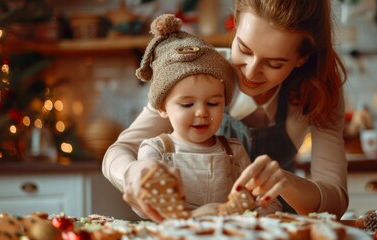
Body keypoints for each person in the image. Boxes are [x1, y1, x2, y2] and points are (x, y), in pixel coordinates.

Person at [103, 0, 348, 221]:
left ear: (301, 58)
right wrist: (133, 172)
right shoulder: (198, 71)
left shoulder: (318, 94)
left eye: (274, 63)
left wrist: (286, 183)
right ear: (236, 23)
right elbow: (120, 150)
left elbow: (335, 201)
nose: (251, 73)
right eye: (244, 49)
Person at [133, 14, 281, 220]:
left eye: (213, 103)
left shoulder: (235, 150)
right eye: (187, 104)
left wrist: (258, 212)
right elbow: (143, 203)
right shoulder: (155, 150)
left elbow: (265, 201)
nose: (202, 112)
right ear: (162, 107)